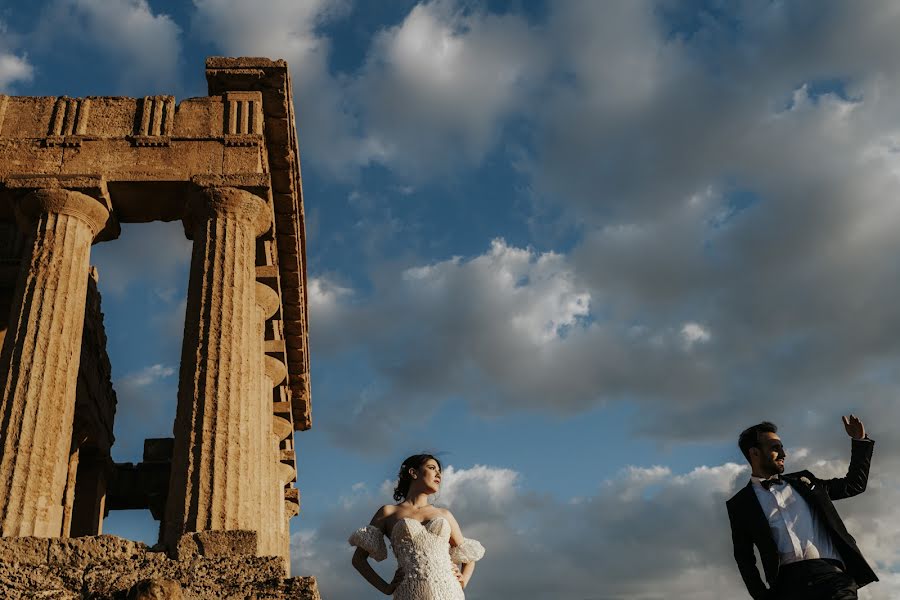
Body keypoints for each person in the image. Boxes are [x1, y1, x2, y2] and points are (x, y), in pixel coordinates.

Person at [725, 415, 877, 599]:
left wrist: (859, 441)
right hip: (788, 587)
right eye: (775, 448)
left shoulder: (805, 482)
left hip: (834, 579)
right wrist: (762, 596)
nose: (783, 454)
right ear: (754, 453)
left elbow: (853, 485)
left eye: (782, 447)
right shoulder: (740, 504)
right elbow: (744, 557)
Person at [349, 454, 484, 598]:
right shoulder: (388, 512)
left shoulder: (444, 514)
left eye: (440, 471)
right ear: (413, 473)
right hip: (409, 593)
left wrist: (463, 581)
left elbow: (469, 556)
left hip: (448, 592)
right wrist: (386, 588)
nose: (438, 474)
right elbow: (358, 560)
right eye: (432, 468)